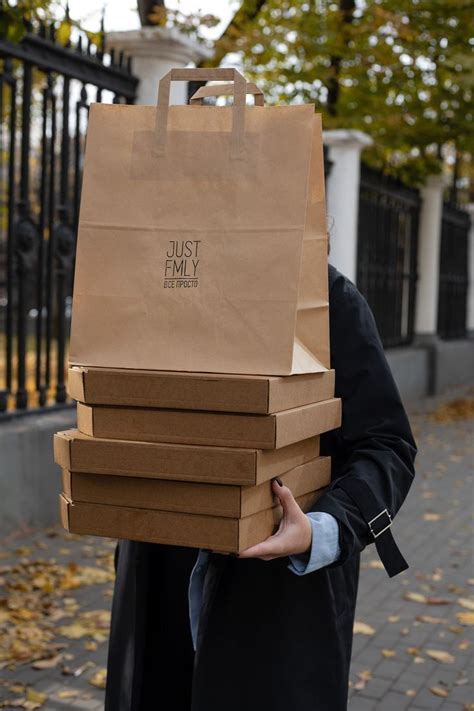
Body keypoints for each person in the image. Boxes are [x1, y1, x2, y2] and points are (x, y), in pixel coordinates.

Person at [104, 264, 417, 711]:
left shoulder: (326, 299)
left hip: (278, 607)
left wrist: (322, 528)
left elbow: (387, 445)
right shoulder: (155, 279)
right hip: (156, 587)